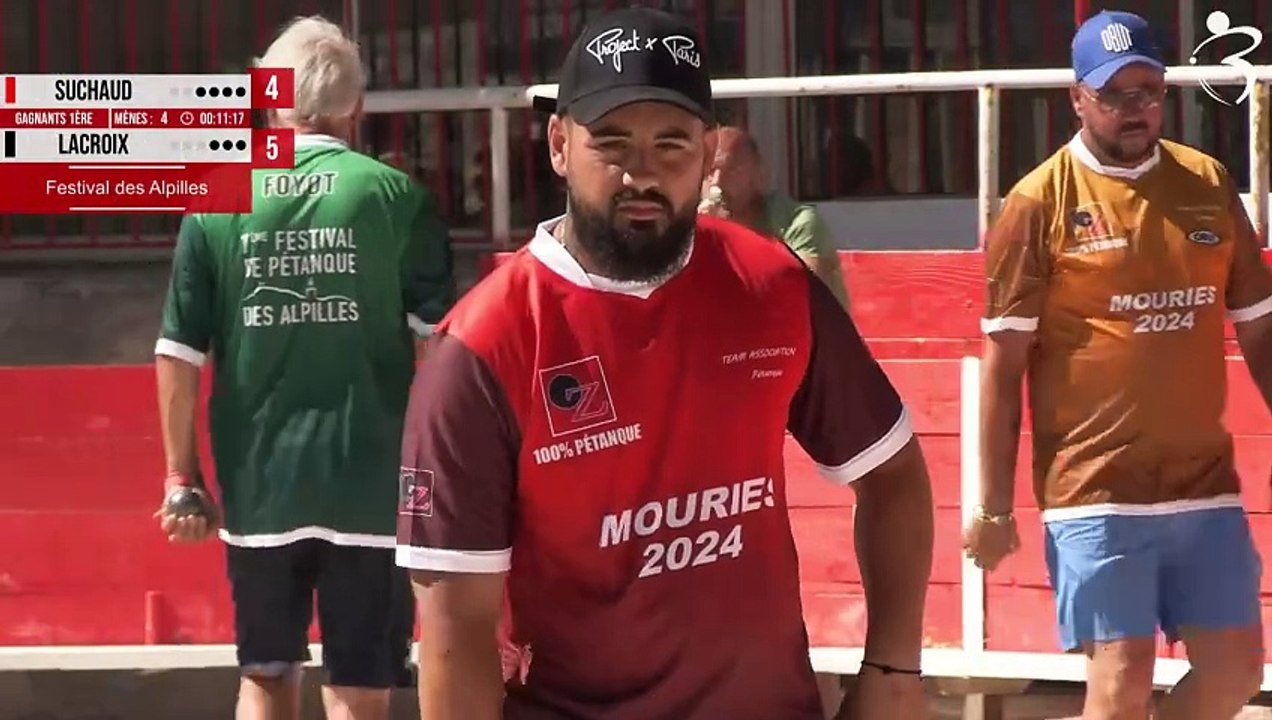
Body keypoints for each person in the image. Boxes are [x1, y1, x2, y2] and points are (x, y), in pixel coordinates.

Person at [395, 7, 934, 720]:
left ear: (709, 153)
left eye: (671, 144)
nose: (639, 173)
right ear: (559, 144)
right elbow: (454, 630)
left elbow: (894, 475)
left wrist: (892, 673)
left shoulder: (771, 284)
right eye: (611, 142)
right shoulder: (482, 348)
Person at [965, 10, 1272, 720]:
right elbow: (1003, 366)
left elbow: (1259, 331)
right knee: (1120, 682)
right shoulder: (1037, 202)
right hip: (1093, 491)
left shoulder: (1207, 181)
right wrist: (991, 506)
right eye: (1113, 95)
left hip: (1203, 486)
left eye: (1148, 91)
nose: (1134, 110)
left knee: (1235, 674)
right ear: (1077, 98)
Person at [152, 15, 456, 720]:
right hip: (371, 489)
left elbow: (177, 352)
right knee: (361, 689)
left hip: (261, 490)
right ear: (356, 107)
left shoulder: (217, 200)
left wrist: (180, 479)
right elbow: (439, 351)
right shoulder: (396, 197)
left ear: (269, 103)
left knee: (265, 676)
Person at [700, 126, 851, 310]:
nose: (717, 182)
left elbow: (803, 298)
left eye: (732, 170)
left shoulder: (798, 223)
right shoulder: (692, 228)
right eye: (709, 172)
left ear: (758, 174)